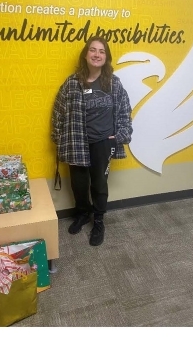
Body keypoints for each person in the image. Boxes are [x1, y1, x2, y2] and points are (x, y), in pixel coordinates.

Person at [51, 36, 133, 246]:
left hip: (103, 142)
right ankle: (82, 213)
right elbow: (58, 112)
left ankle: (98, 220)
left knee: (99, 184)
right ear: (85, 55)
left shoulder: (113, 83)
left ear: (106, 57)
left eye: (102, 51)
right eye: (93, 50)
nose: (97, 54)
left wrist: (121, 134)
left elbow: (124, 110)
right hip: (77, 142)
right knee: (79, 184)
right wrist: (59, 139)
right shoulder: (71, 83)